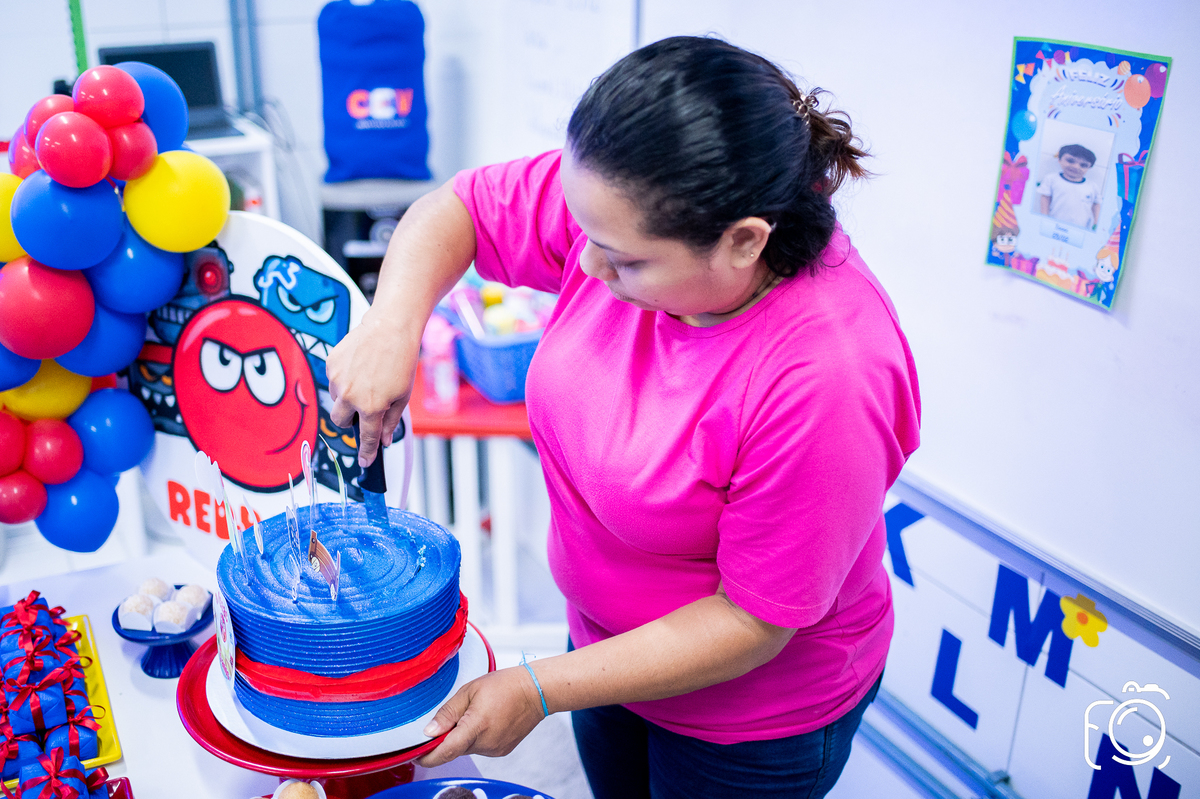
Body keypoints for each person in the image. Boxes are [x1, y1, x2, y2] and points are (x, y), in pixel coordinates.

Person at [327, 36, 921, 799]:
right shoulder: (628, 205)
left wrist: (540, 687)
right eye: (587, 234)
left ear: (743, 241)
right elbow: (461, 209)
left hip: (750, 721)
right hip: (603, 655)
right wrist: (391, 323)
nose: (584, 264)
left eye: (624, 259)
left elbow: (752, 621)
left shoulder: (826, 375)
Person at [1038, 144, 1103, 229]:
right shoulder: (1051, 179)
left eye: (1083, 165)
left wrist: (1096, 223)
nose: (1076, 167)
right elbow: (1045, 199)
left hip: (1081, 228)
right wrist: (1044, 218)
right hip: (1054, 225)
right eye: (1070, 161)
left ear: (1089, 167)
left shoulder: (1092, 186)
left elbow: (1096, 205)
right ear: (1059, 159)